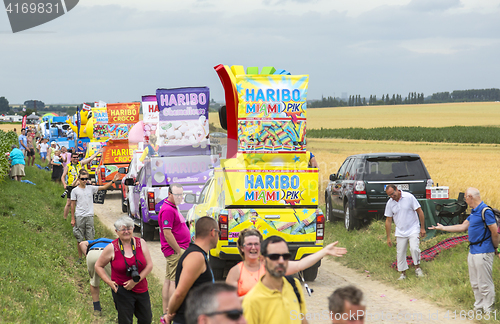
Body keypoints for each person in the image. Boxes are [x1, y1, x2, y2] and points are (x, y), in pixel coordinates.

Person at [429, 187, 498, 313]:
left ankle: (489, 310)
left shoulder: (485, 211)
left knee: (485, 283)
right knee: (475, 283)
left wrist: (495, 248)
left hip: (483, 252)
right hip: (473, 251)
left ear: (470, 197)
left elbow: (495, 232)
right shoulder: (474, 212)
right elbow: (462, 226)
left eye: (465, 197)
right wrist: (443, 228)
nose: (465, 200)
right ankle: (478, 307)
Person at [226, 228, 347, 297]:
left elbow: (299, 265)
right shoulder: (235, 272)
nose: (253, 247)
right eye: (249, 244)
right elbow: (230, 304)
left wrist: (323, 252)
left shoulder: (271, 267)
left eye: (256, 244)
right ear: (242, 248)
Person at [95, 216, 153, 324]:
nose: (126, 231)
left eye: (129, 228)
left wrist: (135, 281)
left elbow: (149, 265)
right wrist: (109, 282)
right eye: (123, 229)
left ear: (133, 229)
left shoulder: (141, 243)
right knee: (125, 321)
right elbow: (98, 266)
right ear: (117, 232)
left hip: (141, 288)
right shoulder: (112, 247)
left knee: (146, 319)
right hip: (122, 291)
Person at [242, 235, 308, 324]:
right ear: (262, 260)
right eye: (274, 257)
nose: (281, 261)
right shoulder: (252, 301)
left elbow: (303, 320)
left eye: (285, 256)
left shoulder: (294, 285)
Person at [165, 216, 219, 324]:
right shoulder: (196, 256)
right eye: (219, 233)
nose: (219, 237)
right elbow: (179, 292)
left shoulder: (199, 254)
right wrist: (169, 313)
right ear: (213, 232)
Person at [71, 169, 119, 261]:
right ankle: (80, 257)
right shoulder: (75, 191)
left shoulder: (90, 188)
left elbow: (104, 188)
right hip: (79, 216)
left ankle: (89, 257)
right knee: (79, 238)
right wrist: (73, 218)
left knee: (90, 238)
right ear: (79, 179)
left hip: (89, 216)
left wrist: (113, 181)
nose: (84, 180)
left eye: (86, 179)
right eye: (82, 179)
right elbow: (72, 205)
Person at [159, 184, 191, 314]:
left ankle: (166, 312)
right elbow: (167, 233)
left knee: (168, 280)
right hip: (174, 251)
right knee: (174, 281)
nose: (179, 197)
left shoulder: (172, 207)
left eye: (181, 194)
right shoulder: (168, 210)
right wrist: (178, 250)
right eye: (177, 195)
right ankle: (172, 312)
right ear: (169, 194)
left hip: (175, 250)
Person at [384, 184, 426, 280]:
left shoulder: (409, 197)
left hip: (413, 228)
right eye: (389, 195)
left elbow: (420, 212)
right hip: (400, 230)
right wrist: (388, 237)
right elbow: (388, 220)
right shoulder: (390, 203)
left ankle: (417, 268)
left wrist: (422, 228)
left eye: (393, 194)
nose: (392, 196)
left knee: (414, 248)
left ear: (397, 190)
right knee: (400, 252)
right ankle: (403, 273)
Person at [62, 149, 102, 220]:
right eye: (74, 157)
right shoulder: (68, 166)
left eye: (77, 157)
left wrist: (98, 152)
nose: (76, 158)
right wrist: (64, 184)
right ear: (71, 158)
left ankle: (79, 217)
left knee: (79, 203)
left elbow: (90, 159)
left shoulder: (80, 163)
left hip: (80, 185)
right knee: (69, 203)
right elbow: (63, 176)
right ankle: (64, 218)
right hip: (71, 186)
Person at [79, 238, 113, 316]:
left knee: (93, 281)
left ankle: (97, 309)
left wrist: (87, 256)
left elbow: (82, 244)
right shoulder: (114, 241)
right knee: (115, 281)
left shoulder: (95, 241)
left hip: (92, 253)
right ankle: (119, 307)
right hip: (106, 253)